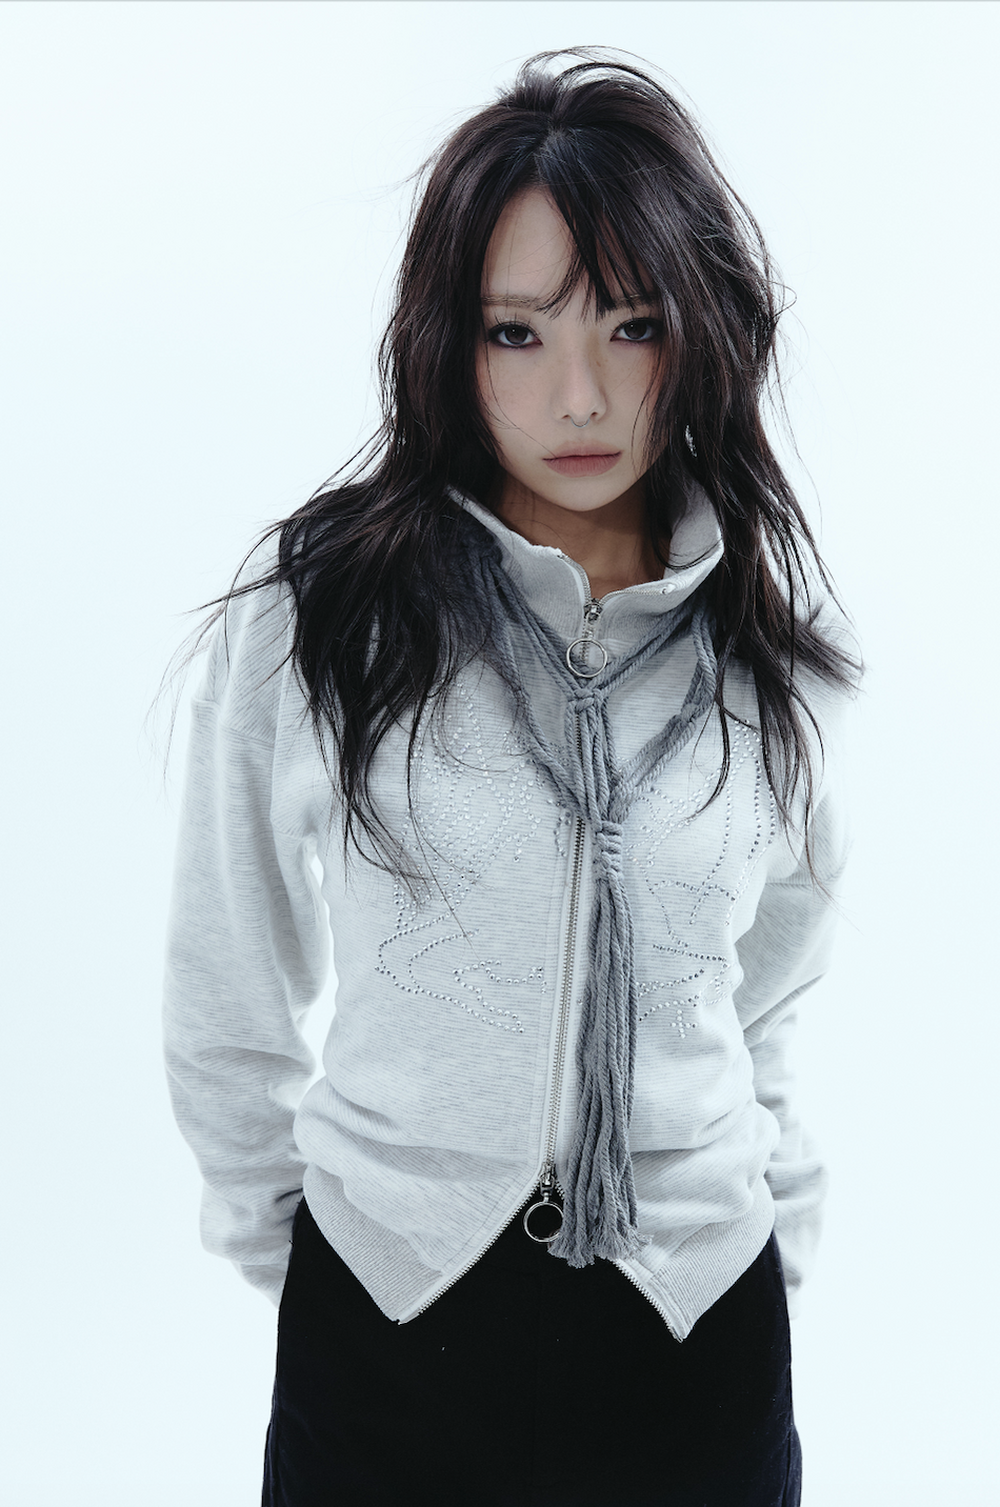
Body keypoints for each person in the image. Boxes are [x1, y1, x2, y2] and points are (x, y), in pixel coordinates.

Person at [163, 48, 858, 1507]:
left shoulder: (769, 654)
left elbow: (768, 996)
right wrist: (308, 1253)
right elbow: (230, 980)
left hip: (695, 1335)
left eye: (631, 324)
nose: (581, 394)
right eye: (517, 333)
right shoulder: (324, 616)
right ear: (448, 343)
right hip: (389, 1322)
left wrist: (769, 1236)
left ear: (700, 329)